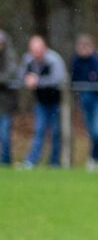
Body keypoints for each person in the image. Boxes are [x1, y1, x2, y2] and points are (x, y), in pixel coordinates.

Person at [19, 35, 67, 169]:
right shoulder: (28, 60)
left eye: (38, 50)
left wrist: (38, 81)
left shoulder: (53, 59)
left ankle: (54, 162)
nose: (36, 54)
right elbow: (21, 76)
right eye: (33, 51)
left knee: (56, 132)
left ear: (44, 48)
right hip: (40, 102)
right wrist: (27, 79)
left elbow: (58, 79)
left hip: (55, 101)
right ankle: (31, 161)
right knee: (39, 130)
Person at [70, 34, 98, 172]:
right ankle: (96, 159)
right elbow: (74, 80)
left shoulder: (96, 60)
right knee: (92, 132)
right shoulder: (76, 61)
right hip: (85, 100)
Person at [0, 30, 17, 166]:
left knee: (4, 133)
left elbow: (10, 75)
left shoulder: (9, 56)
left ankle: (6, 161)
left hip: (5, 102)